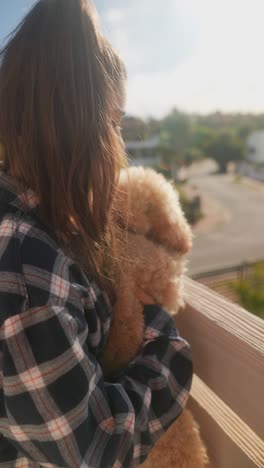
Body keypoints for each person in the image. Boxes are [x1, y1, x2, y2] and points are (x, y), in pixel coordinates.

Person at [0, 1, 193, 467]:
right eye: (113, 121)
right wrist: (167, 349)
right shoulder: (26, 265)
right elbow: (89, 449)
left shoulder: (31, 227)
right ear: (79, 127)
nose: (119, 145)